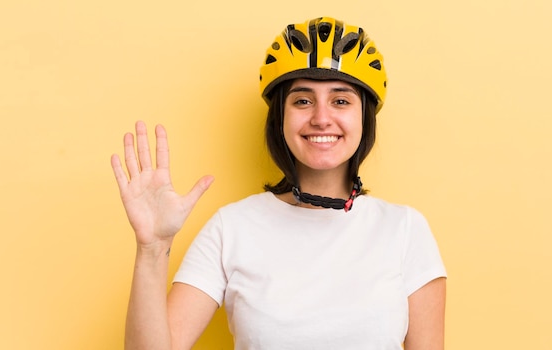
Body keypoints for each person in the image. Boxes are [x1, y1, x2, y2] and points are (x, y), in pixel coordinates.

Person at [111, 16, 447, 350]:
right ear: (280, 118)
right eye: (302, 100)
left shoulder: (405, 230)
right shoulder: (231, 228)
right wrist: (152, 248)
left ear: (364, 116)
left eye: (340, 100)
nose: (321, 118)